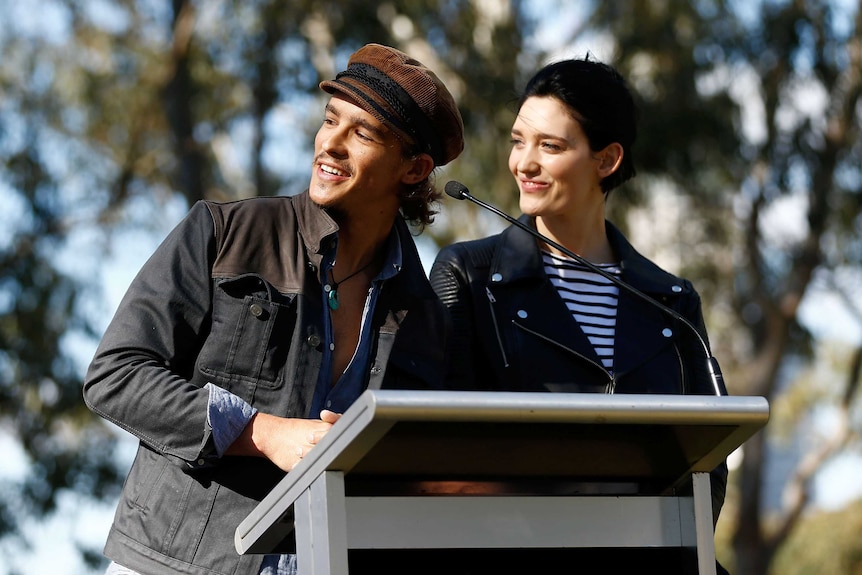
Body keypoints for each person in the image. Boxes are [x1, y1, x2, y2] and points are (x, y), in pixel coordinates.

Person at [83, 43, 464, 575]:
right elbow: (115, 377)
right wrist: (262, 432)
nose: (329, 144)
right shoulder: (223, 232)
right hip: (175, 564)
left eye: (361, 133)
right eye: (330, 120)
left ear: (413, 167)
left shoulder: (425, 316)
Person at [430, 57, 730, 573]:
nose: (524, 162)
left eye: (550, 146)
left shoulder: (673, 302)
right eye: (517, 140)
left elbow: (709, 464)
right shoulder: (469, 276)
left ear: (606, 159)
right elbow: (439, 451)